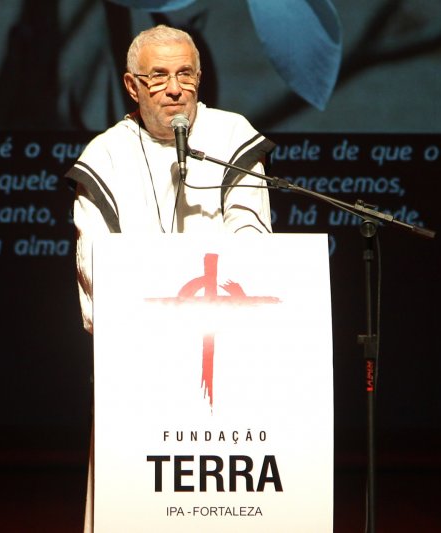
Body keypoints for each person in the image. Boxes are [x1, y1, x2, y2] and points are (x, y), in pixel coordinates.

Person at [63, 24, 275, 532]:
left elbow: (250, 231)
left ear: (201, 78)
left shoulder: (230, 135)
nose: (175, 88)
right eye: (158, 77)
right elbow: (92, 259)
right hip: (142, 362)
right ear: (132, 87)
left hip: (226, 355)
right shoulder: (104, 155)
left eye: (185, 74)